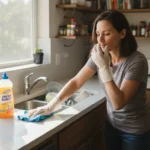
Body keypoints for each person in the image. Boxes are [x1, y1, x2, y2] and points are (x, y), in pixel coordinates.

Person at [27, 10, 150, 150]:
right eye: (98, 34)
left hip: (135, 131)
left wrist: (104, 68)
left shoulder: (137, 61)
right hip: (112, 125)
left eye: (107, 34)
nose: (100, 40)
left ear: (122, 34)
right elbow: (77, 81)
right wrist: (52, 105)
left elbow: (118, 102)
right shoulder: (100, 56)